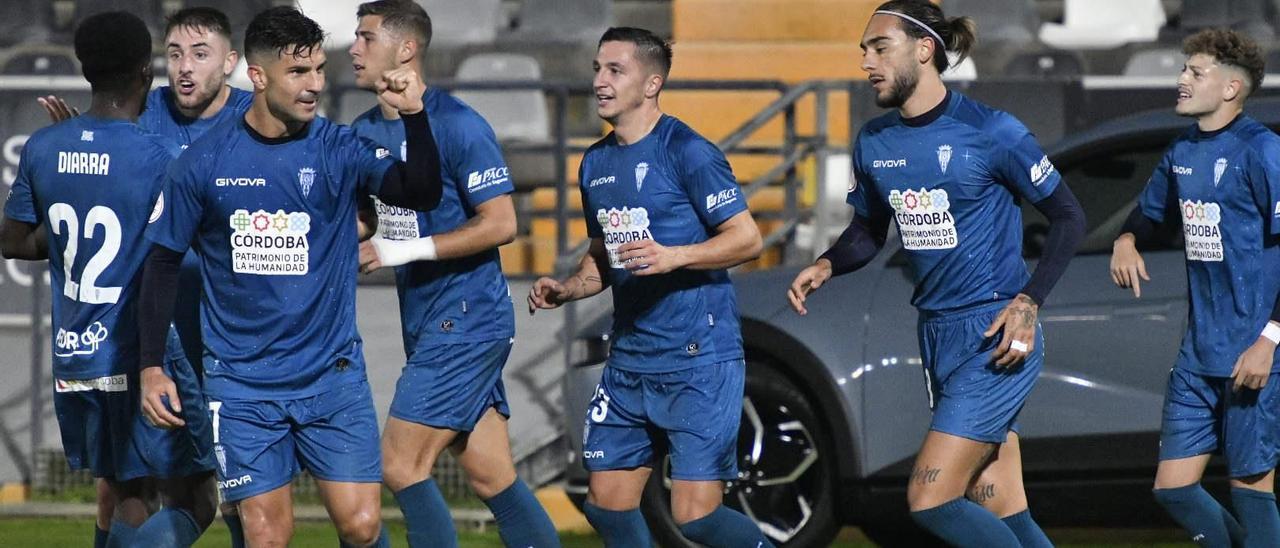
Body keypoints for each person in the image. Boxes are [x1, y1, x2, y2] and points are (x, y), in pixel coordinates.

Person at [136, 6, 444, 547]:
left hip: (332, 375)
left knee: (363, 526)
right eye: (299, 73)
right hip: (241, 383)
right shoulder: (204, 163)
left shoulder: (337, 148)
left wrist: (416, 118)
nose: (315, 85)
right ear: (257, 76)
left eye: (320, 70)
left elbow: (420, 192)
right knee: (265, 535)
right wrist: (150, 366)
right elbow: (161, 262)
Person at [786, 1, 1085, 546]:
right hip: (936, 333)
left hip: (995, 331)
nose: (866, 63)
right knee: (999, 507)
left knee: (929, 498)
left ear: (925, 50)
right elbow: (867, 231)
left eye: (879, 48)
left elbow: (1069, 216)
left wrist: (1028, 302)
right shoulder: (874, 141)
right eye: (863, 51)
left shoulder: (992, 131)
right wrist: (827, 264)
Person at [529, 26, 774, 548]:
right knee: (608, 505)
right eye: (597, 68)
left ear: (651, 84)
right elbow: (607, 254)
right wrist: (570, 288)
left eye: (615, 70)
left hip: (697, 358)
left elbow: (747, 238)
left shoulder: (688, 151)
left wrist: (677, 256)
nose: (600, 80)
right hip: (631, 359)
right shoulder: (595, 163)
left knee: (696, 518)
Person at [0, 12, 217, 548]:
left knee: (129, 494)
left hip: (74, 355)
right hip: (139, 353)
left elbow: (14, 240)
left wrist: (78, 193)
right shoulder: (160, 157)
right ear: (147, 71)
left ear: (85, 69)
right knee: (198, 497)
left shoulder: (43, 148)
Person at [347, 2, 560, 546]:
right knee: (492, 475)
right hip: (427, 322)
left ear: (406, 50)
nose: (353, 49)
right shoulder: (363, 128)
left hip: (466, 320)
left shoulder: (460, 124)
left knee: (398, 465)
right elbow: (369, 219)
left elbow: (501, 224)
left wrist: (402, 251)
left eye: (367, 38)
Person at [37, 10, 254, 540]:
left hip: (230, 333)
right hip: (150, 334)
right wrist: (77, 143)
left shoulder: (257, 120)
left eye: (200, 54)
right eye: (175, 53)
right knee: (123, 488)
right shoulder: (144, 113)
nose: (185, 67)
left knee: (241, 491)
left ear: (230, 63)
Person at [1110, 28, 1280, 548]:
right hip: (1197, 351)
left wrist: (1270, 339)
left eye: (1195, 72)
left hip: (1253, 351)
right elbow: (1150, 211)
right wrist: (1126, 237)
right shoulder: (1182, 147)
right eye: (1184, 69)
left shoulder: (1263, 150)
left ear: (1231, 89)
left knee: (1250, 489)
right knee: (1173, 488)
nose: (1181, 79)